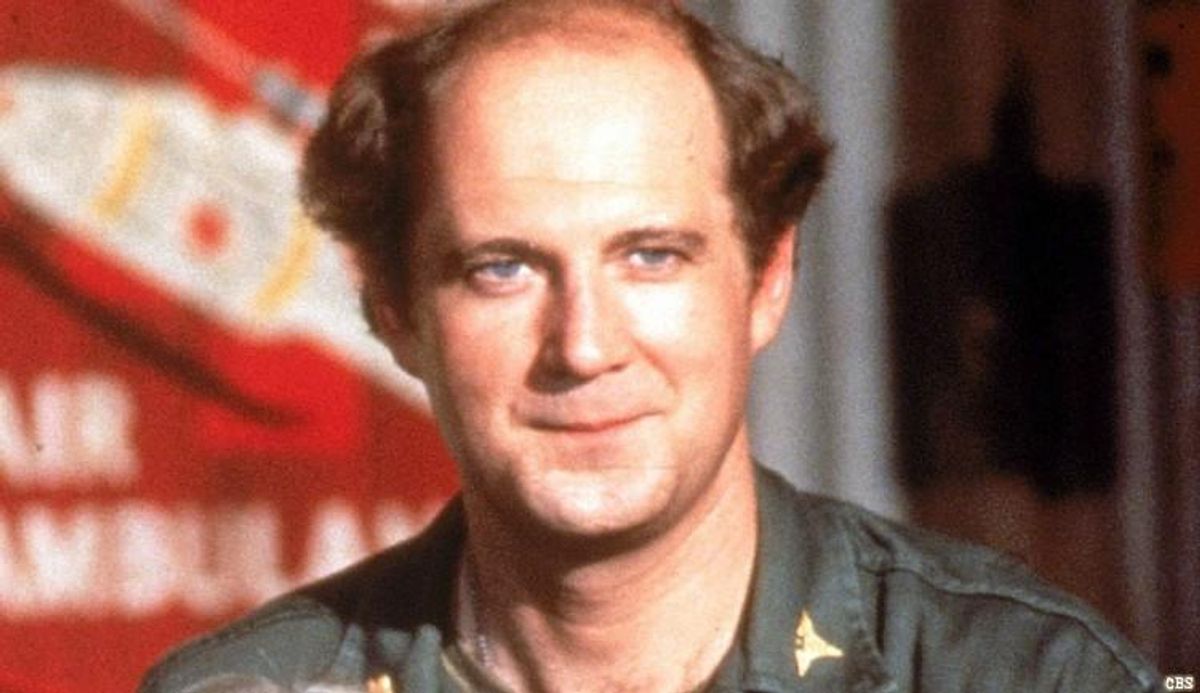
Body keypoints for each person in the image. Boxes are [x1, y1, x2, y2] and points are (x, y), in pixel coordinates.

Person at [141, 1, 1163, 691]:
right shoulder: (251, 688)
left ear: (766, 280)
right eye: (503, 268)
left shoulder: (1021, 674)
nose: (584, 346)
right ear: (394, 310)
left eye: (651, 257)